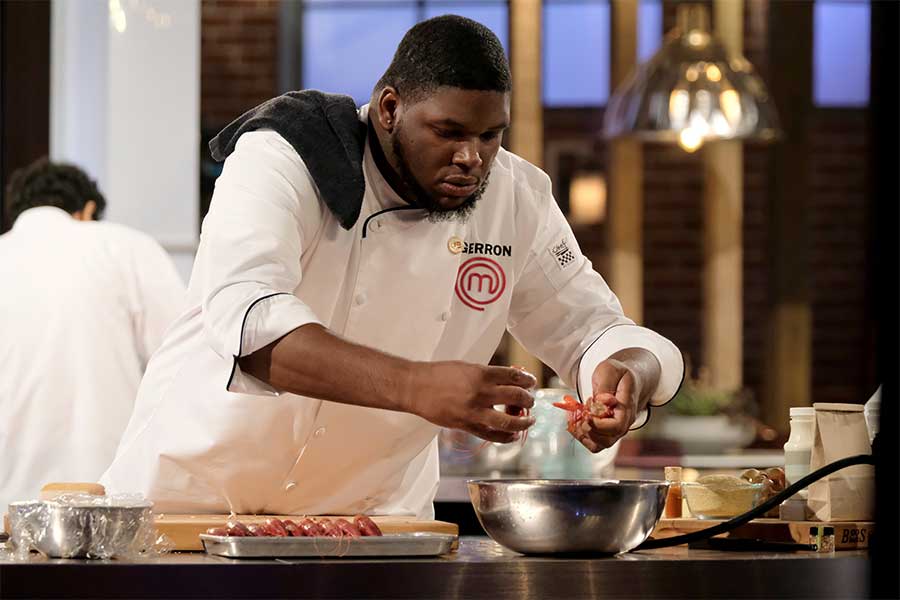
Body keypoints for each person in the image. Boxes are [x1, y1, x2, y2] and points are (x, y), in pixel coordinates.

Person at [101, 15, 683, 518]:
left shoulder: (518, 199)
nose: (471, 158)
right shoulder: (282, 159)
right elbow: (249, 325)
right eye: (448, 132)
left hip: (369, 523)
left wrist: (625, 373)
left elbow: (593, 330)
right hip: (190, 507)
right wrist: (417, 385)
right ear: (388, 108)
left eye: (490, 136)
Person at [0, 158, 185, 510]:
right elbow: (184, 360)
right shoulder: (127, 247)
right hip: (109, 500)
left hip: (5, 504)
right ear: (86, 210)